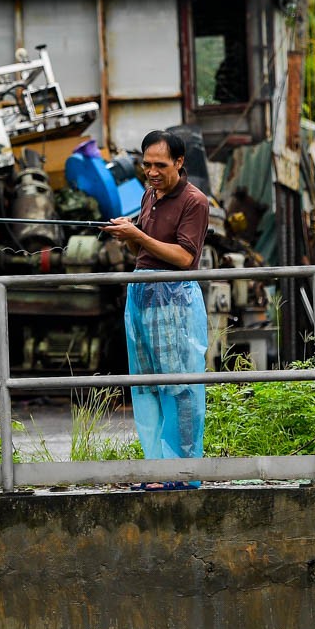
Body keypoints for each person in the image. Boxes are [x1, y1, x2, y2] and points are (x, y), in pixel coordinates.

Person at [106, 130, 212, 489]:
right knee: (147, 386)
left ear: (180, 163)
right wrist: (130, 227)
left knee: (179, 388)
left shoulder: (195, 201)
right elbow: (147, 237)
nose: (150, 171)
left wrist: (138, 237)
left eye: (159, 165)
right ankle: (156, 471)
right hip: (141, 295)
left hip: (174, 299)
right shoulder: (150, 193)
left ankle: (180, 473)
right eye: (146, 164)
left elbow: (184, 257)